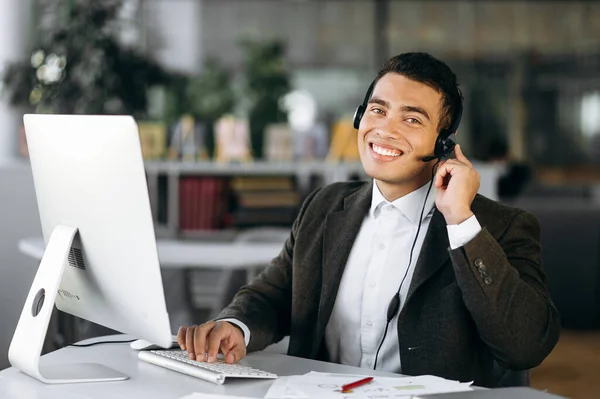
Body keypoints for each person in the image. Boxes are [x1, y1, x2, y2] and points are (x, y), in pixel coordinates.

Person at [177, 52, 560, 388]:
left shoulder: (500, 226)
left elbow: (526, 345)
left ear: (444, 142)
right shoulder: (325, 206)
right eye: (377, 110)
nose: (385, 129)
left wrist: (460, 220)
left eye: (411, 119)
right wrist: (235, 326)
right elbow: (273, 295)